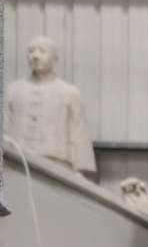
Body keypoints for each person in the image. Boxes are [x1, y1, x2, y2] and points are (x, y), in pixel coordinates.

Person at [4, 35, 97, 178]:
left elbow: (79, 133)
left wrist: (79, 171)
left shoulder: (70, 93)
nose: (35, 56)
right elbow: (5, 126)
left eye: (42, 51)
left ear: (54, 58)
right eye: (31, 51)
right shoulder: (13, 90)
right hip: (16, 164)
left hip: (57, 166)